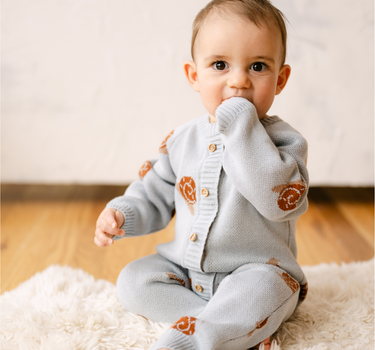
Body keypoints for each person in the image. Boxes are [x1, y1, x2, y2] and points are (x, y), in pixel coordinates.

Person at [94, 1, 309, 349]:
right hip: (185, 270)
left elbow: (276, 202)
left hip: (256, 272)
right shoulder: (181, 140)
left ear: (280, 79)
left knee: (267, 292)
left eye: (257, 67)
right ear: (195, 76)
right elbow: (154, 191)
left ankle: (199, 337)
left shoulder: (286, 143)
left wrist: (241, 124)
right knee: (133, 281)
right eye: (220, 65)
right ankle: (235, 324)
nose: (238, 81)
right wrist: (122, 212)